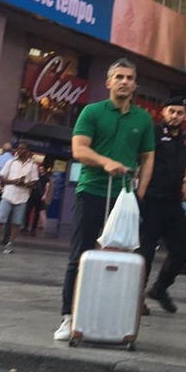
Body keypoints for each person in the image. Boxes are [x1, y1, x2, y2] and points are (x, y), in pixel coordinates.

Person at [54, 59, 155, 343]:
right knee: (81, 256)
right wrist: (105, 162)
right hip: (92, 192)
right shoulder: (92, 112)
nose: (125, 81)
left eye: (130, 78)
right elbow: (79, 149)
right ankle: (69, 317)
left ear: (135, 84)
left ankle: (112, 317)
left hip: (124, 199)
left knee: (122, 257)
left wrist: (140, 194)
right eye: (119, 77)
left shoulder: (143, 119)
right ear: (109, 82)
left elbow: (148, 157)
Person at [138, 97, 186, 315]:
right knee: (145, 252)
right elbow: (142, 159)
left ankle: (160, 289)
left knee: (182, 251)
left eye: (180, 112)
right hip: (151, 200)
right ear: (163, 112)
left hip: (173, 203)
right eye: (171, 111)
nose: (175, 116)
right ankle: (138, 298)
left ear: (185, 116)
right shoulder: (153, 133)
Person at [0, 142, 37, 254]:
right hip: (8, 194)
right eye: (18, 149)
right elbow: (2, 178)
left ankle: (10, 244)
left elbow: (34, 183)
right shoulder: (11, 162)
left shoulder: (32, 166)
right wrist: (14, 181)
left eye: (23, 149)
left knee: (16, 222)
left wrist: (24, 183)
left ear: (28, 151)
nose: (20, 151)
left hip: (22, 197)